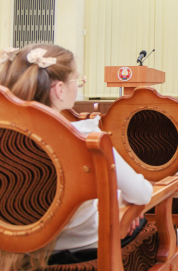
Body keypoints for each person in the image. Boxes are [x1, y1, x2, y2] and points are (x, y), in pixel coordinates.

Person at [0, 44, 153, 269]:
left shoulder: (6, 138)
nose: (78, 86)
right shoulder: (84, 136)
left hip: (12, 249)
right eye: (77, 81)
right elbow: (141, 193)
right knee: (150, 227)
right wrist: (119, 201)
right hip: (83, 249)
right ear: (59, 89)